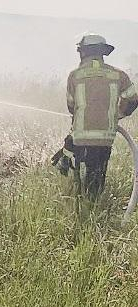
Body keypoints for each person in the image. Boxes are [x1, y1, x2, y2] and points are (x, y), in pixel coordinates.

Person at [52, 34, 138, 198]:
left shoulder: (75, 75)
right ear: (102, 52)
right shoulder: (118, 75)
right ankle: (94, 205)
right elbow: (133, 100)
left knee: (82, 183)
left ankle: (85, 209)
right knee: (97, 179)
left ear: (84, 52)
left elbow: (71, 107)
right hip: (106, 138)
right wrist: (116, 115)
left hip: (81, 139)